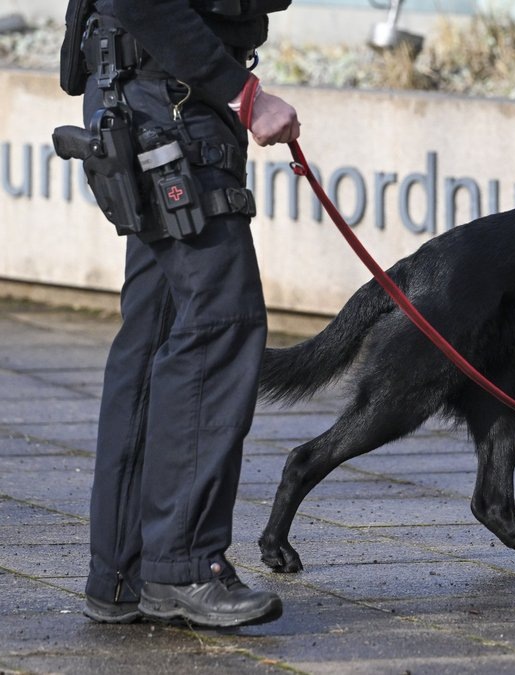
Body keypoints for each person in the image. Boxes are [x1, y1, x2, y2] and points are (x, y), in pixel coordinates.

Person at [59, 0, 300, 627]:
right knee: (220, 323)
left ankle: (124, 569)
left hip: (146, 93)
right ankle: (185, 566)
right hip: (167, 101)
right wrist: (243, 94)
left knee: (157, 330)